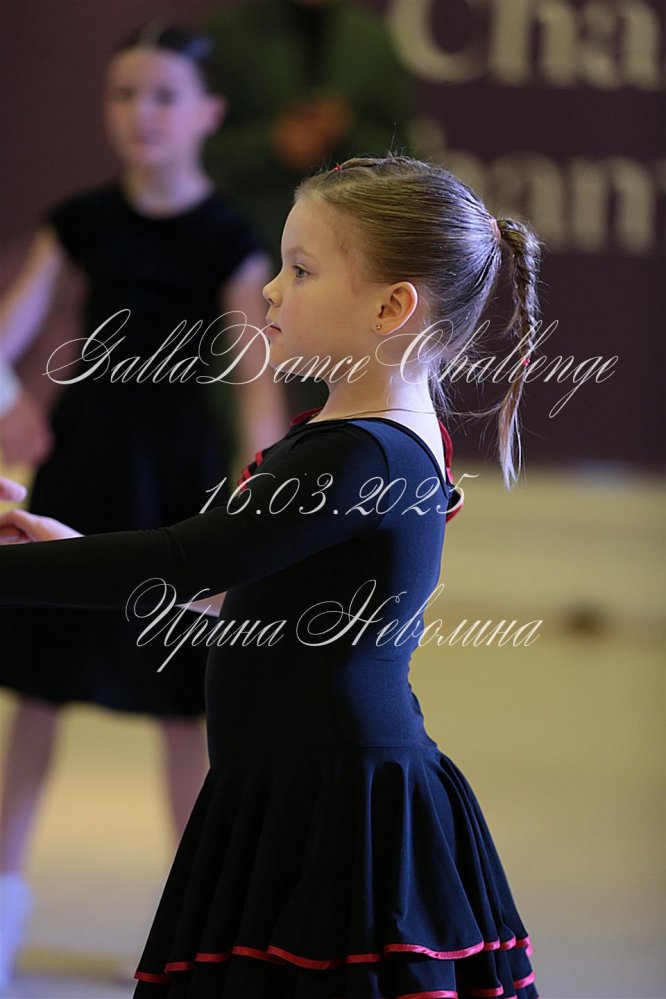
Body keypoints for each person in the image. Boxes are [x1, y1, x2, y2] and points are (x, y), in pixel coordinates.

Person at [0, 154, 541, 999]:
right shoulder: (377, 433)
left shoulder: (359, 453)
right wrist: (65, 545)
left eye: (301, 270)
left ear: (392, 307)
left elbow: (183, 559)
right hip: (296, 784)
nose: (270, 291)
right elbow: (258, 588)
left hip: (332, 803)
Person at [0, 21, 287, 989]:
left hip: (178, 481)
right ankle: (2, 901)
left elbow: (254, 383)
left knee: (185, 707)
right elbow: (7, 334)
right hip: (83, 465)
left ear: (207, 113)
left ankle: (198, 924)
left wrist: (264, 490)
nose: (141, 114)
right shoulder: (79, 220)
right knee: (38, 689)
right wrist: (8, 403)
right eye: (124, 94)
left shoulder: (229, 240)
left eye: (163, 96)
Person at [202, 0, 414, 417]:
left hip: (345, 250)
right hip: (241, 247)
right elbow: (197, 152)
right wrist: (272, 144)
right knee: (236, 395)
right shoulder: (228, 36)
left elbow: (405, 155)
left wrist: (345, 131)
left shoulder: (372, 41)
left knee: (337, 404)